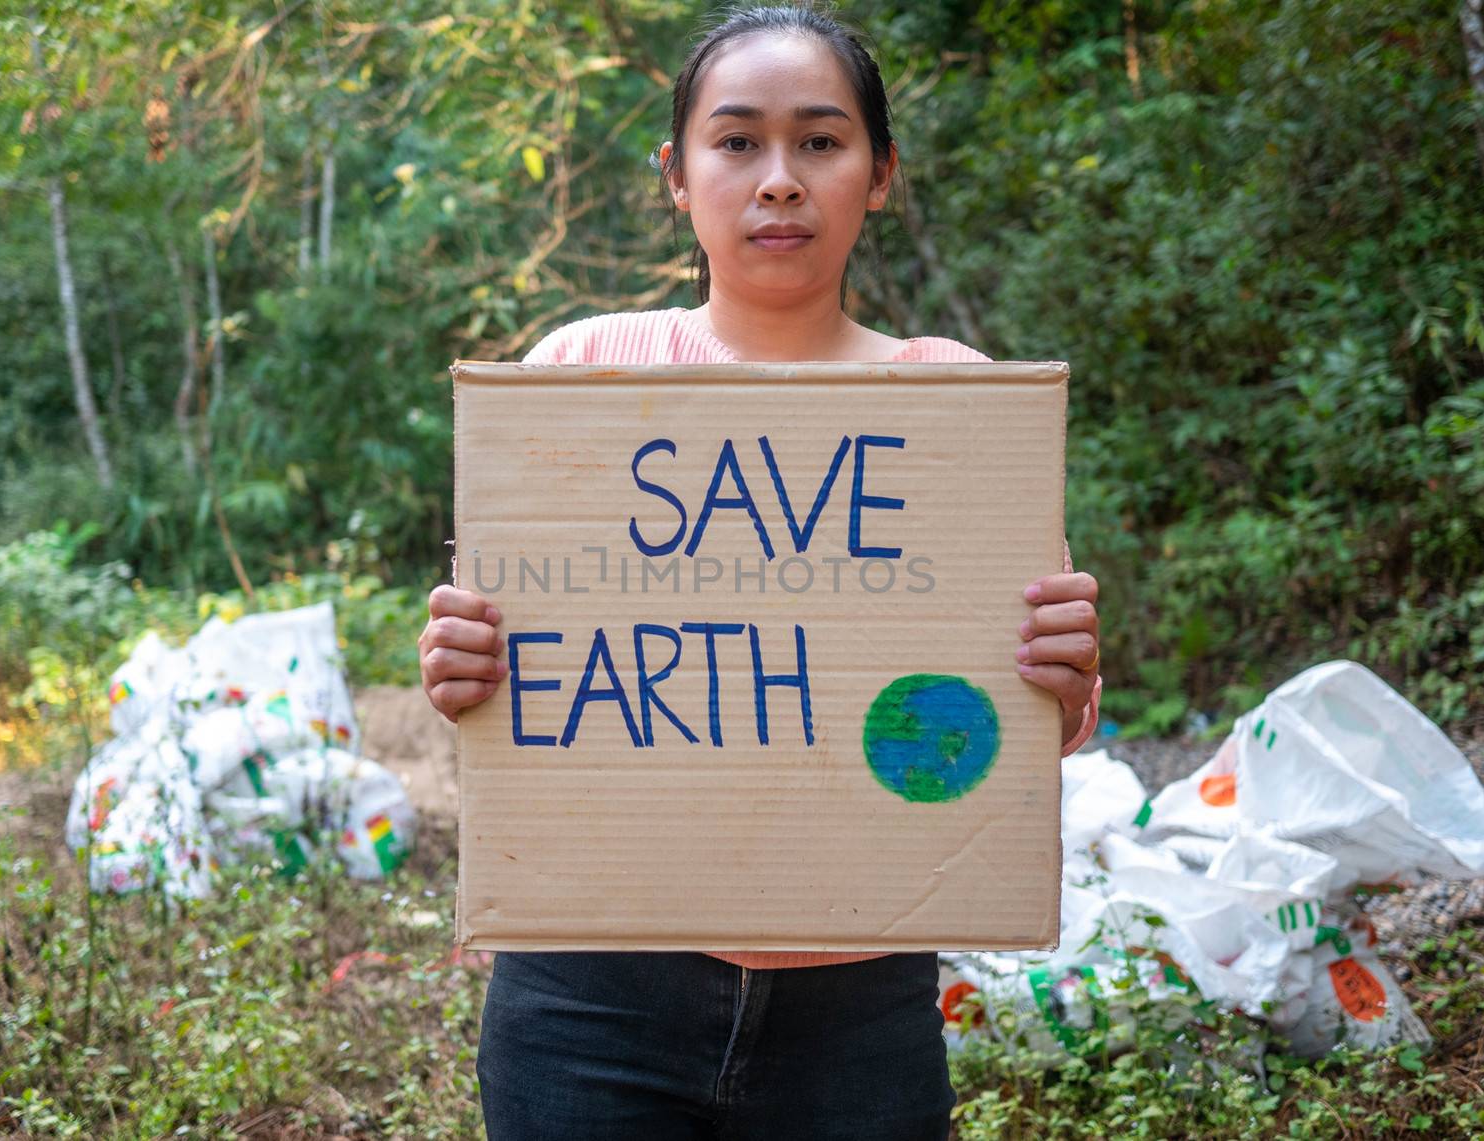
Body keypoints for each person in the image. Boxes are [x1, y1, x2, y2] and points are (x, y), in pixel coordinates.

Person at [417, 7, 1103, 1138]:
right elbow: (511, 673)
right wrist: (460, 664)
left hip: (859, 1004)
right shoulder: (579, 376)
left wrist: (1064, 679)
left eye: (819, 143)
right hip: (587, 995)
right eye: (735, 142)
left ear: (879, 175)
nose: (777, 180)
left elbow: (1029, 713)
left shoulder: (956, 402)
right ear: (676, 177)